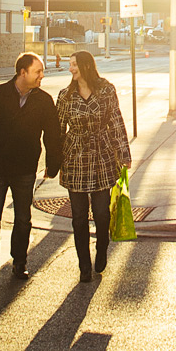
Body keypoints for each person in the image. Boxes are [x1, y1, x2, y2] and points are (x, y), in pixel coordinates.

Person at [0, 52, 62, 290]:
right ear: (23, 72)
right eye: (37, 72)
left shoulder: (43, 100)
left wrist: (53, 164)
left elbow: (53, 134)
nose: (42, 76)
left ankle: (19, 262)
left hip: (24, 169)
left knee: (23, 219)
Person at [56, 49, 131, 283]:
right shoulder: (65, 96)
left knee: (101, 213)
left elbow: (116, 122)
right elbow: (58, 131)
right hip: (75, 158)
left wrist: (124, 154)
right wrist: (52, 162)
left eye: (74, 64)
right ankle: (84, 266)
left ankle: (101, 249)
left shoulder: (106, 91)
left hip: (102, 156)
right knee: (78, 217)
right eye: (70, 65)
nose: (71, 69)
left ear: (86, 66)